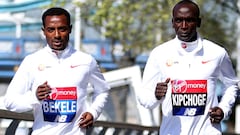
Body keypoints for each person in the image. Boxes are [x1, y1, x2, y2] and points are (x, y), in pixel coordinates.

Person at [137, 0, 239, 135]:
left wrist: (223, 109)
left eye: (189, 20)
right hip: (172, 132)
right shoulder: (159, 53)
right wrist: (155, 95)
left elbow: (232, 85)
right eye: (179, 20)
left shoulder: (217, 53)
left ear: (198, 22)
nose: (184, 26)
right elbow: (144, 99)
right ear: (173, 23)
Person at [4, 7, 110, 135]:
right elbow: (10, 102)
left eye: (62, 29)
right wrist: (35, 97)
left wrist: (93, 112)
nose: (57, 35)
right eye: (51, 30)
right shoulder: (31, 61)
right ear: (44, 31)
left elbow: (102, 89)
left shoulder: (86, 61)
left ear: (70, 29)